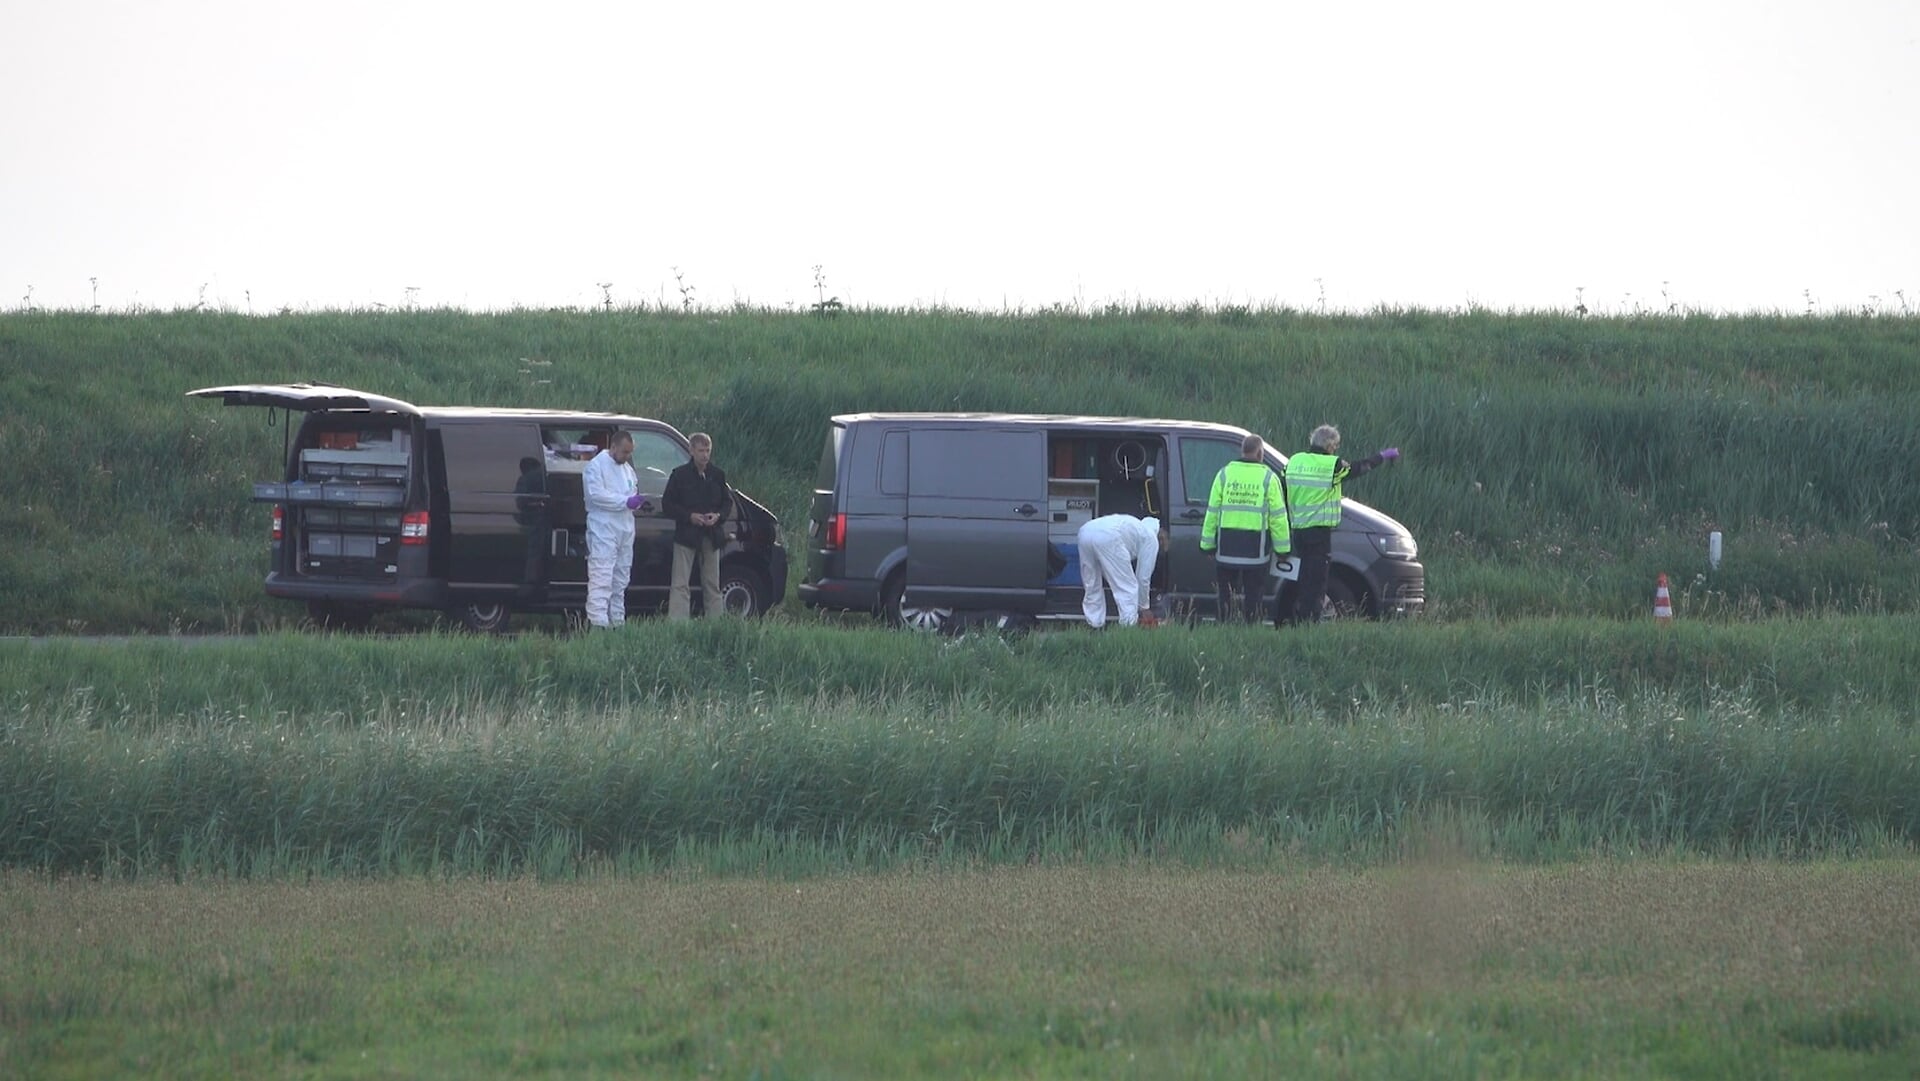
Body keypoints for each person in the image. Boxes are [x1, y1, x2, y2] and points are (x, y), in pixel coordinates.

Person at [1280, 424, 1399, 625]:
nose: (1336, 450)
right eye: (1335, 446)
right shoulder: (1332, 465)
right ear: (1329, 446)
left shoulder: (1294, 461)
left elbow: (1282, 486)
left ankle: (1298, 619)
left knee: (1302, 577)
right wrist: (1383, 456)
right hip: (1318, 533)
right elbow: (1359, 467)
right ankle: (1309, 623)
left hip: (1297, 531)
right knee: (1317, 582)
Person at [1199, 433, 1290, 624]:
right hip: (1255, 553)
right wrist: (1283, 551)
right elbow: (1278, 518)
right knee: (1254, 597)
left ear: (1242, 451)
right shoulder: (1268, 478)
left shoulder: (1224, 474)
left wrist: (1207, 545)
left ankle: (1226, 629)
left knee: (1226, 597)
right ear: (1260, 453)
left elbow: (1212, 512)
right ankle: (1252, 632)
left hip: (1226, 551)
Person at [663, 432, 732, 619]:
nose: (705, 455)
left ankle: (715, 624)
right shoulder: (679, 475)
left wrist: (718, 516)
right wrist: (689, 516)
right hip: (687, 535)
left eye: (708, 450)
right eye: (701, 450)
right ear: (691, 450)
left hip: (711, 534)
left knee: (712, 583)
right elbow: (667, 505)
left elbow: (727, 503)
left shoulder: (717, 475)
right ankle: (678, 624)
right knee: (680, 583)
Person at [582, 430, 641, 628]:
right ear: (613, 447)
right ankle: (598, 624)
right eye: (624, 452)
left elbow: (632, 492)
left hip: (625, 530)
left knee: (621, 580)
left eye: (630, 453)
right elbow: (597, 495)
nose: (627, 457)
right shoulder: (595, 467)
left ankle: (617, 622)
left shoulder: (627, 470)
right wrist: (626, 501)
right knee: (601, 577)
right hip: (603, 529)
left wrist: (637, 501)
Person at [1076, 513, 1167, 628]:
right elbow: (1143, 578)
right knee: (1127, 588)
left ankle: (1094, 626)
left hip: (1085, 532)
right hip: (1109, 536)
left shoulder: (1136, 527)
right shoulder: (1150, 538)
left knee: (1092, 584)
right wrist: (1144, 607)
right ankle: (1127, 629)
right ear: (1162, 538)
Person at [513, 455, 550, 602]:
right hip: (543, 520)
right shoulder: (543, 475)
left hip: (533, 521)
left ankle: (530, 585)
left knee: (534, 553)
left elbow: (520, 502)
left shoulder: (526, 479)